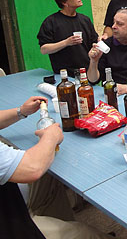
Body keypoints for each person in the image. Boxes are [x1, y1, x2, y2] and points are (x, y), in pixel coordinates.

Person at [0, 96, 109, 238]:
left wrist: (21, 111)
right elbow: (32, 168)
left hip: (11, 195)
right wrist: (51, 137)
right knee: (86, 234)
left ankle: (60, 222)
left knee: (49, 176)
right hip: (10, 223)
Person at [38, 0, 98, 77]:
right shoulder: (51, 22)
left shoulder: (85, 19)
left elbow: (94, 41)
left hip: (87, 72)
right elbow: (44, 49)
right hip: (64, 76)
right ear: (64, 2)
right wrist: (66, 42)